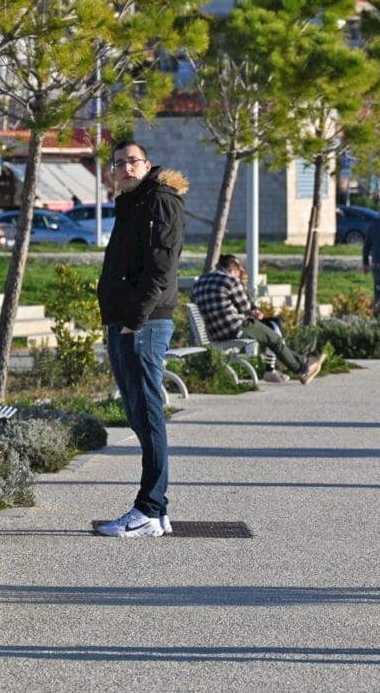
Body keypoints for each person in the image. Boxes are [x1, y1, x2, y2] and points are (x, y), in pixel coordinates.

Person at [95, 141, 186, 538]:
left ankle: (148, 508)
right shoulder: (132, 203)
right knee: (137, 413)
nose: (125, 168)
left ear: (147, 165)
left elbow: (161, 268)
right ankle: (156, 510)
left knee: (147, 413)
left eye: (132, 161)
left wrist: (135, 318)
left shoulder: (159, 202)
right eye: (119, 163)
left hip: (143, 322)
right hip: (126, 320)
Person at [191, 254, 326, 385]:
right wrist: (253, 311)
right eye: (239, 272)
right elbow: (245, 308)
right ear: (232, 270)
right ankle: (302, 368)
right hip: (236, 329)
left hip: (215, 334)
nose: (239, 275)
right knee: (274, 338)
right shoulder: (230, 280)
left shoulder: (199, 282)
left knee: (273, 330)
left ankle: (301, 362)